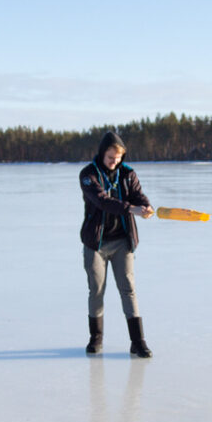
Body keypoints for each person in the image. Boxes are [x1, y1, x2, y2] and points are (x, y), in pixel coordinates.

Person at [79, 131, 154, 357]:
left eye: (119, 157)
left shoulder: (128, 174)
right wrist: (131, 209)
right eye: (111, 157)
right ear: (103, 154)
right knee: (97, 291)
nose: (115, 162)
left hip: (123, 242)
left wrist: (145, 207)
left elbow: (138, 195)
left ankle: (138, 341)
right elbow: (102, 201)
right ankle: (96, 339)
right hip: (96, 244)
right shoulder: (88, 175)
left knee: (128, 289)